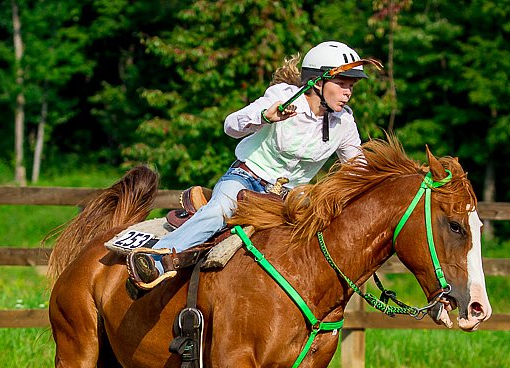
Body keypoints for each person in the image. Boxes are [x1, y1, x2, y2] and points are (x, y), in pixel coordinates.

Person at [129, 40, 370, 289]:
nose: (348, 92)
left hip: (290, 200)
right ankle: (153, 259)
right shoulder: (281, 97)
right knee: (217, 213)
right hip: (245, 180)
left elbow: (359, 169)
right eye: (342, 84)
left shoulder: (345, 123)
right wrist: (265, 116)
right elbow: (230, 126)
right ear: (317, 82)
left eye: (351, 86)